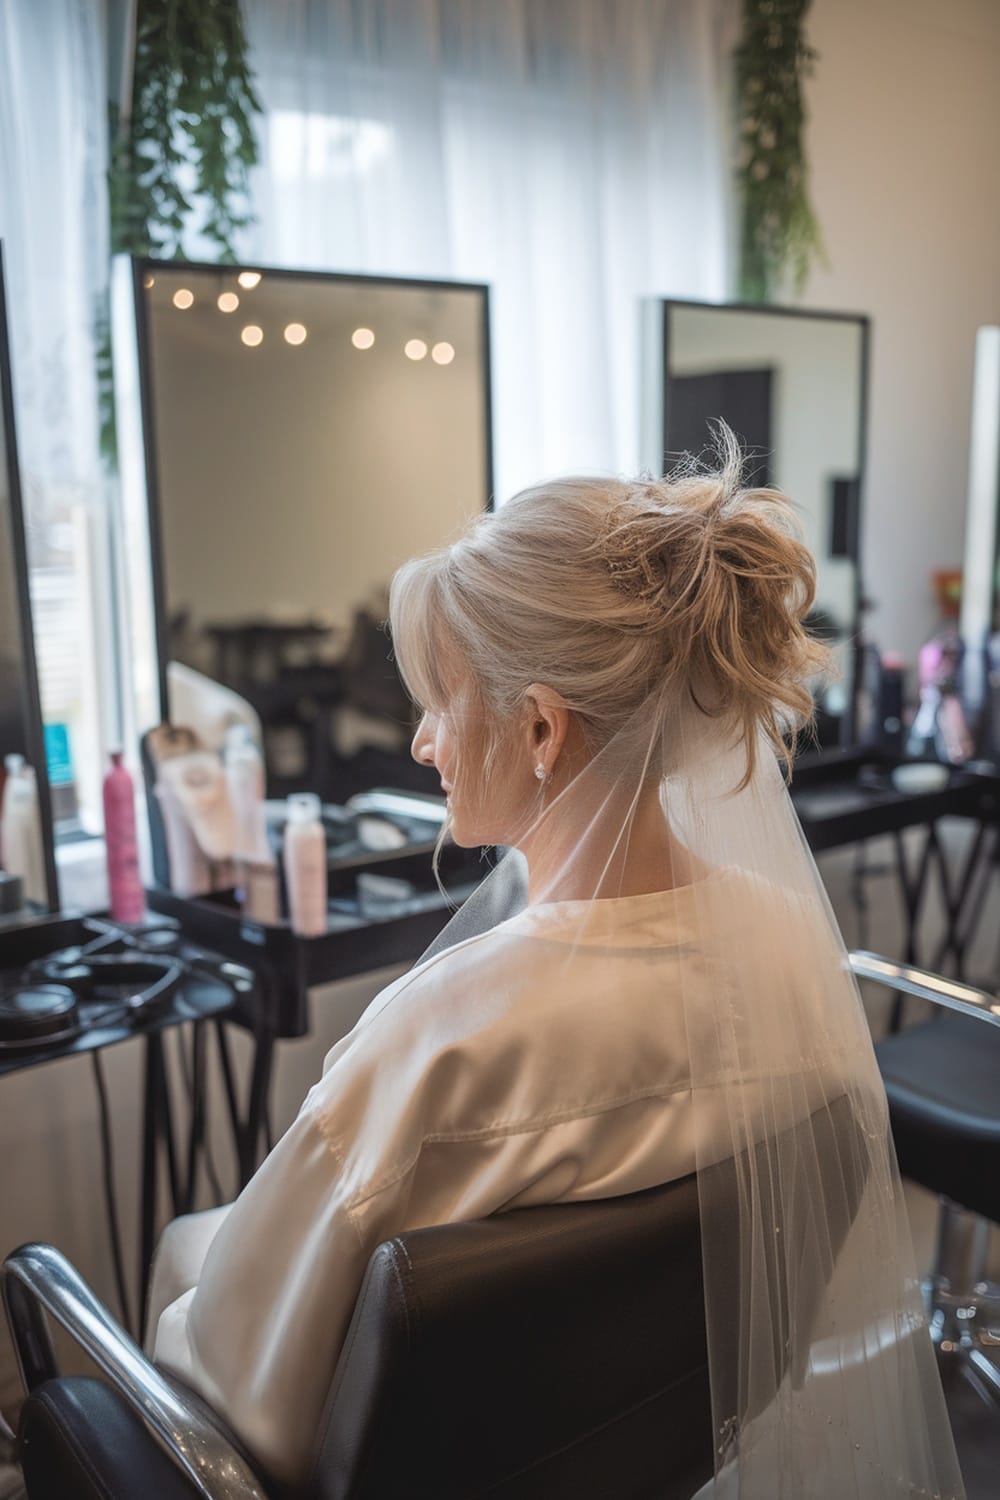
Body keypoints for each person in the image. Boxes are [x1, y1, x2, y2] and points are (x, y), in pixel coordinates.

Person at [150, 435, 965, 1497]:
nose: (422, 744)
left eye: (439, 702)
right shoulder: (789, 944)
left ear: (539, 726)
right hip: (644, 1460)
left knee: (183, 1251)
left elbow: (242, 1412)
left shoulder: (440, 1038)